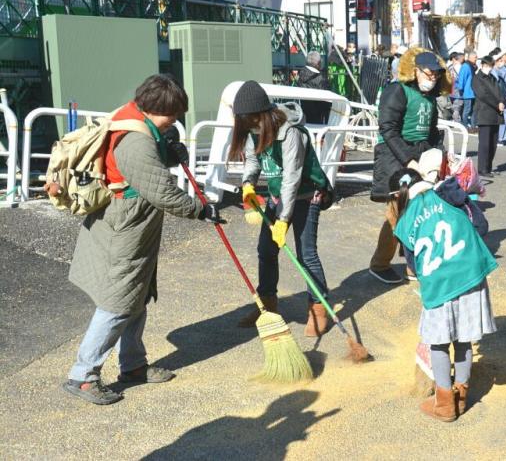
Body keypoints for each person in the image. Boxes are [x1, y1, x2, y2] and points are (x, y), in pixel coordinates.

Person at [63, 74, 222, 406]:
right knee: (118, 303)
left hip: (133, 226)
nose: (175, 121)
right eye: (173, 116)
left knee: (135, 296)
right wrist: (200, 210)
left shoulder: (135, 120)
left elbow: (144, 169)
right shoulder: (136, 141)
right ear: (155, 109)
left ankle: (133, 366)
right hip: (127, 228)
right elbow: (161, 191)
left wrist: (167, 151)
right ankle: (82, 375)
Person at [391, 167, 496, 422]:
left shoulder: (404, 223)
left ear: (399, 196)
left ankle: (445, 403)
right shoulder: (449, 195)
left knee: (438, 341)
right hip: (470, 274)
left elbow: (414, 266)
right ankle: (461, 394)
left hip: (439, 283)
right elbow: (481, 226)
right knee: (463, 338)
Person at [230, 82, 333, 337]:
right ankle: (268, 305)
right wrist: (248, 186)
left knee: (306, 254)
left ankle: (318, 308)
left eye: (251, 121)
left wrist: (283, 219)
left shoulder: (290, 132)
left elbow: (292, 177)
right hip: (280, 196)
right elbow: (253, 160)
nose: (249, 127)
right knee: (266, 250)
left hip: (307, 194)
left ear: (261, 114)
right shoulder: (252, 128)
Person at [369, 49, 451, 284]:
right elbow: (388, 129)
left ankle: (412, 264)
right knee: (397, 212)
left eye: (436, 74)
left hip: (420, 156)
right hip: (395, 157)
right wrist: (408, 160)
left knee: (419, 212)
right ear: (414, 70)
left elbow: (432, 132)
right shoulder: (396, 90)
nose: (433, 77)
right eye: (429, 72)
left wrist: (442, 156)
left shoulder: (430, 98)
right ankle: (380, 264)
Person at [472, 55, 505, 177]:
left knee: (493, 143)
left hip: (496, 114)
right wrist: (497, 104)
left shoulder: (492, 78)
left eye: (490, 66)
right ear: (482, 65)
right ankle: (482, 169)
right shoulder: (477, 79)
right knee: (485, 143)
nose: (489, 68)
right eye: (487, 66)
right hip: (484, 113)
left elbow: (500, 92)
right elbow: (483, 95)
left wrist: (502, 101)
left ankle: (489, 167)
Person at [456, 51, 478, 130]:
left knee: (474, 110)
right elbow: (462, 79)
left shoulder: (472, 66)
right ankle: (464, 125)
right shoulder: (466, 66)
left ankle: (473, 126)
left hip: (473, 92)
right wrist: (461, 89)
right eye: (475, 57)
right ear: (471, 57)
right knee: (467, 110)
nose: (476, 59)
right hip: (467, 92)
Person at [447, 52, 464, 122]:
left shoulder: (449, 67)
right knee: (456, 109)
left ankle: (455, 121)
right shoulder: (461, 67)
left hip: (451, 91)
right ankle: (458, 123)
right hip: (458, 92)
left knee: (454, 108)